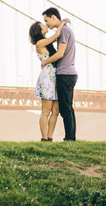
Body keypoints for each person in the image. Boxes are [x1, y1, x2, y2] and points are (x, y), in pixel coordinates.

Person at [41, 7, 78, 140]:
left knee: (65, 108)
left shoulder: (63, 31)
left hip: (65, 74)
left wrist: (45, 62)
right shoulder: (66, 29)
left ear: (53, 17)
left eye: (46, 20)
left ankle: (69, 138)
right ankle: (71, 137)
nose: (46, 24)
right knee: (68, 108)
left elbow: (60, 53)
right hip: (70, 73)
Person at [28, 19, 64, 141]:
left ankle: (50, 137)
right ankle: (44, 138)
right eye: (42, 24)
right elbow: (57, 35)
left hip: (55, 76)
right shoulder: (40, 43)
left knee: (56, 110)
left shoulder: (45, 43)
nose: (45, 25)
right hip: (48, 78)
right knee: (46, 111)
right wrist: (62, 23)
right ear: (39, 30)